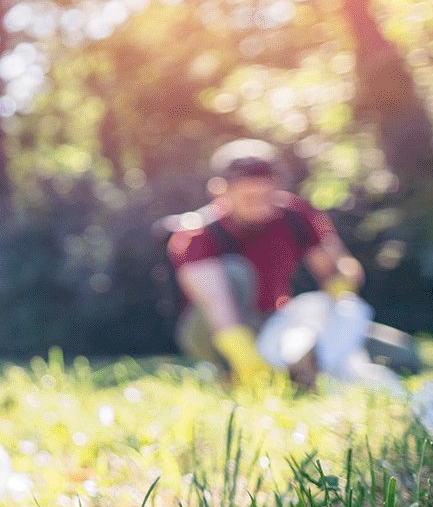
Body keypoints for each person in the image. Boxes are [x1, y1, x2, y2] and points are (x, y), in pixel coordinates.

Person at [166, 139, 418, 385]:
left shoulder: (295, 216)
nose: (260, 205)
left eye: (267, 195)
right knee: (235, 272)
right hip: (219, 329)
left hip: (278, 321)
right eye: (249, 198)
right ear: (220, 190)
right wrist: (243, 354)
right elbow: (217, 304)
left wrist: (337, 294)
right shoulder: (197, 234)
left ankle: (295, 368)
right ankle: (234, 370)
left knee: (402, 354)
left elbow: (340, 268)